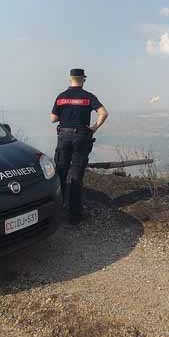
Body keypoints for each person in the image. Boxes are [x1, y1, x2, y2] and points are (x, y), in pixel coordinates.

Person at [50, 68, 109, 224]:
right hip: (81, 137)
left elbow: (53, 118)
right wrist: (95, 127)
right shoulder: (88, 97)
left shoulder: (61, 97)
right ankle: (75, 214)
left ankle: (59, 207)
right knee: (76, 174)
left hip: (63, 136)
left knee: (61, 171)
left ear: (70, 79)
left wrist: (66, 114)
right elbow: (104, 113)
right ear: (83, 79)